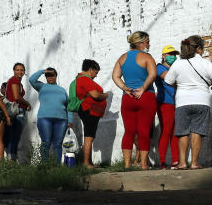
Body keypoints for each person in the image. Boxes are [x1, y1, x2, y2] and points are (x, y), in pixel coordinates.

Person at [164, 35, 212, 169]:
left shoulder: (178, 63)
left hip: (182, 102)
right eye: (202, 48)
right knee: (197, 132)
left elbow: (168, 81)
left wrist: (180, 87)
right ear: (198, 48)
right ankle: (195, 163)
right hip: (202, 101)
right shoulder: (204, 62)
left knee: (182, 132)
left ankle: (182, 162)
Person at [112, 31, 158, 168]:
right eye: (147, 42)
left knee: (129, 131)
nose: (149, 44)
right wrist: (143, 88)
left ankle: (127, 165)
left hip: (128, 98)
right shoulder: (147, 57)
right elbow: (153, 74)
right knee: (144, 131)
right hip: (146, 97)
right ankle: (143, 164)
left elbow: (115, 77)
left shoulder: (122, 58)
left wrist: (125, 88)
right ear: (140, 43)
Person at [29, 67, 74, 164]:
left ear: (56, 76)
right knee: (46, 142)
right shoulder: (41, 86)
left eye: (52, 75)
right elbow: (31, 79)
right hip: (45, 119)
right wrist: (43, 71)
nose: (50, 77)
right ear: (45, 77)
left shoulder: (62, 90)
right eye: (48, 75)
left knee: (58, 144)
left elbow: (68, 106)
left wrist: (70, 120)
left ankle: (56, 167)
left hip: (62, 120)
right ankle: (45, 166)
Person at [73, 59, 108, 167]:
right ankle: (86, 163)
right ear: (91, 69)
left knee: (90, 136)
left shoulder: (82, 79)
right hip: (89, 110)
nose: (96, 75)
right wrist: (105, 95)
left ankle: (89, 162)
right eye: (96, 72)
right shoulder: (84, 79)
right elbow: (96, 95)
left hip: (90, 110)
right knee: (89, 136)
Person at [154, 45, 181, 168]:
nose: (173, 57)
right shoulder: (160, 67)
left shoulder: (175, 68)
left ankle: (175, 160)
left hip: (176, 103)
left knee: (175, 133)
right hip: (165, 102)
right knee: (166, 131)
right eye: (170, 54)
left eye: (174, 54)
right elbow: (167, 77)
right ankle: (162, 161)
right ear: (164, 56)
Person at [3, 63, 30, 161]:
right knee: (14, 137)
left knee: (13, 136)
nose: (20, 72)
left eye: (22, 70)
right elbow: (16, 97)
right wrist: (27, 103)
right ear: (14, 71)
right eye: (17, 70)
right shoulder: (14, 80)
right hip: (17, 111)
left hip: (14, 111)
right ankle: (12, 160)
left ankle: (11, 159)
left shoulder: (17, 82)